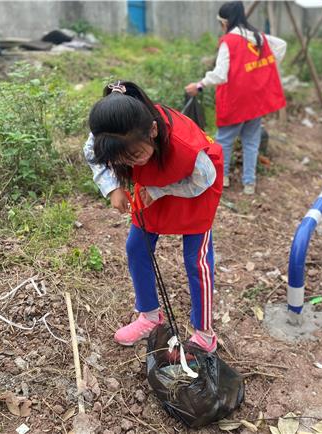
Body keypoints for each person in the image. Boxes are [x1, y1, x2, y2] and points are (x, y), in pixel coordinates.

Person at [84, 81, 224, 353]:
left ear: (153, 131)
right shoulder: (107, 136)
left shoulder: (186, 148)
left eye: (135, 155)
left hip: (193, 188)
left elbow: (204, 180)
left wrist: (162, 190)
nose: (131, 163)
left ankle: (205, 333)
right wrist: (113, 187)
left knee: (196, 261)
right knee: (137, 247)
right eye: (122, 160)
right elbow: (93, 156)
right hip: (150, 186)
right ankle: (149, 315)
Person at [185, 1, 287, 195]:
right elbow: (281, 45)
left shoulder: (229, 41)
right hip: (256, 100)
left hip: (235, 100)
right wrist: (264, 70)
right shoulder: (258, 37)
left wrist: (199, 85)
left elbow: (220, 74)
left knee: (224, 142)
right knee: (251, 141)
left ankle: (221, 180)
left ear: (224, 22)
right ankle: (249, 183)